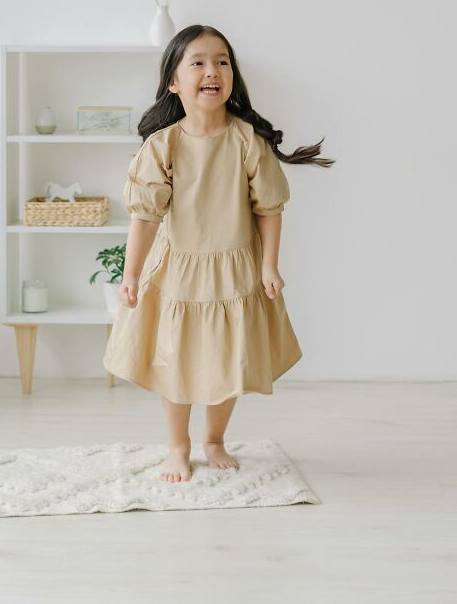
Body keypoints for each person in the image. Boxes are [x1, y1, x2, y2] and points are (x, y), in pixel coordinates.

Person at [103, 24, 334, 483]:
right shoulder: (163, 145)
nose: (213, 71)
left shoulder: (247, 140)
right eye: (199, 62)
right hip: (178, 272)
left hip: (234, 270)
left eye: (222, 61)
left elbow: (269, 208)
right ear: (173, 81)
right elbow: (145, 217)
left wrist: (269, 265)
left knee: (230, 361)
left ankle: (214, 439)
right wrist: (131, 275)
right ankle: (178, 445)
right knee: (175, 362)